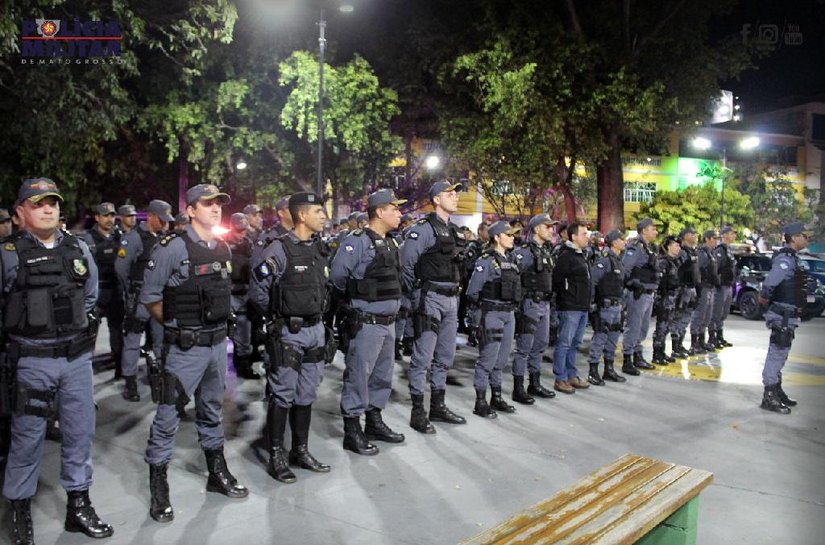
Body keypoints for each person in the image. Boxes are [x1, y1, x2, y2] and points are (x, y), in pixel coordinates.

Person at [2, 178, 113, 544]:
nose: (48, 208)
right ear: (20, 213)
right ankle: (19, 512)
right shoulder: (7, 254)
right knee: (27, 438)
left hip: (77, 360)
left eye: (52, 202)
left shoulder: (78, 248)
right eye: (38, 203)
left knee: (80, 435)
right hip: (32, 360)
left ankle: (78, 506)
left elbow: (91, 296)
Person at [140, 184, 248, 523]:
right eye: (207, 203)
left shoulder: (221, 248)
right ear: (191, 210)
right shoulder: (172, 248)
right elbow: (151, 297)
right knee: (168, 416)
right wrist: (178, 327)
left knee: (212, 410)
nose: (215, 209)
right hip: (184, 348)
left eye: (218, 204)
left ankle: (217, 473)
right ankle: (159, 488)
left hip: (217, 345)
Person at [249, 192, 334, 483]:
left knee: (307, 393)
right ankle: (276, 455)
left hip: (315, 330)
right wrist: (275, 320)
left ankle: (301, 450)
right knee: (283, 393)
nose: (323, 216)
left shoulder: (319, 248)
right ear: (301, 216)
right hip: (289, 332)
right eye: (318, 211)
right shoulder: (279, 248)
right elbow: (259, 289)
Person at [331, 189, 407, 455]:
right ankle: (352, 430)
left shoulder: (391, 242)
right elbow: (338, 278)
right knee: (358, 376)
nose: (400, 213)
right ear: (379, 212)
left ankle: (374, 422)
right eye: (395, 209)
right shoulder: (357, 241)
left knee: (383, 375)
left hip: (388, 322)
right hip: (366, 321)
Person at [400, 181, 468, 434]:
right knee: (422, 357)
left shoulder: (453, 230)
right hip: (430, 297)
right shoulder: (424, 229)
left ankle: (437, 406)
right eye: (450, 194)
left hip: (451, 299)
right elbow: (406, 264)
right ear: (437, 199)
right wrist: (414, 296)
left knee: (445, 356)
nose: (456, 197)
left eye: (456, 193)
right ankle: (418, 411)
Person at [116, 200, 173, 402]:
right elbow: (121, 269)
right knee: (132, 340)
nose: (166, 224)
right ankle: (130, 382)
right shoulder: (133, 238)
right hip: (139, 298)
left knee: (160, 341)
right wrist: (131, 291)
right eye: (162, 220)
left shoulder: (164, 238)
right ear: (150, 216)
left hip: (159, 297)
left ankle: (158, 376)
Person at [466, 221, 521, 418]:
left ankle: (496, 396)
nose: (513, 237)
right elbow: (473, 290)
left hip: (509, 314)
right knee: (487, 358)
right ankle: (480, 401)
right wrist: (476, 318)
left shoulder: (511, 260)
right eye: (508, 234)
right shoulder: (486, 261)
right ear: (497, 237)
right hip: (491, 313)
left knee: (502, 359)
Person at [757, 222, 809, 414]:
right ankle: (769, 395)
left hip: (789, 314)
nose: (806, 238)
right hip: (782, 315)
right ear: (794, 237)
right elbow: (770, 283)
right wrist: (764, 297)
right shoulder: (785, 260)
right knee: (777, 353)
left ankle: (776, 390)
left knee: (781, 353)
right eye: (804, 235)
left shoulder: (793, 259)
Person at [511, 214, 557, 402]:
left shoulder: (545, 251)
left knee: (540, 345)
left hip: (544, 304)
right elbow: (514, 278)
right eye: (547, 227)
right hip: (529, 303)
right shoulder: (524, 252)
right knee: (524, 347)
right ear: (537, 229)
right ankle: (518, 388)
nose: (551, 230)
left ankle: (534, 383)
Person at [82, 202, 125, 376]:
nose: (109, 219)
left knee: (117, 332)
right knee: (91, 333)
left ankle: (119, 368)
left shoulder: (120, 237)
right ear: (97, 217)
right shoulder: (88, 239)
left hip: (116, 291)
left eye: (112, 215)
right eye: (105, 215)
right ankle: (85, 369)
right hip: (98, 292)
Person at [551, 222, 592, 394]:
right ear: (574, 237)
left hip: (582, 306)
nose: (587, 237)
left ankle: (571, 374)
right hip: (570, 306)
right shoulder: (566, 255)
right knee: (565, 343)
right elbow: (557, 280)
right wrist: (567, 297)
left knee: (575, 343)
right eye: (583, 234)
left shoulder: (582, 254)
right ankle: (560, 378)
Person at [587, 229, 628, 384]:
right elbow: (593, 281)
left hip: (617, 306)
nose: (624, 241)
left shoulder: (618, 259)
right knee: (600, 337)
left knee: (613, 339)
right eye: (621, 239)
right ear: (614, 242)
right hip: (605, 306)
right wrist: (592, 303)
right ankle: (593, 370)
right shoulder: (604, 260)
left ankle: (608, 370)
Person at [621, 217, 659, 375]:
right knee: (634, 327)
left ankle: (637, 355)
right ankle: (627, 359)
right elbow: (625, 268)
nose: (656, 232)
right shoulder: (636, 247)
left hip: (648, 293)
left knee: (642, 328)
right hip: (638, 293)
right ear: (644, 230)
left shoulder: (648, 247)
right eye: (653, 229)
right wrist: (631, 284)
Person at [226, 213, 257, 379]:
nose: (241, 233)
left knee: (245, 331)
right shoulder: (222, 243)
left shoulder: (248, 244)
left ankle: (243, 365)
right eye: (239, 230)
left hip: (244, 292)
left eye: (244, 230)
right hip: (227, 293)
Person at [651, 237, 682, 365]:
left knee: (667, 326)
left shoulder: (675, 261)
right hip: (664, 297)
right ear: (668, 247)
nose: (678, 248)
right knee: (661, 326)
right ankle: (657, 353)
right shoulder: (663, 262)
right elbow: (660, 281)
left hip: (672, 297)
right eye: (675, 245)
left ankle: (662, 352)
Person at [690, 230, 720, 354]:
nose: (716, 240)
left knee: (707, 316)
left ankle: (701, 341)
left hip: (710, 287)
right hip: (703, 287)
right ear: (707, 239)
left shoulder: (710, 253)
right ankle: (694, 343)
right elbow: (698, 271)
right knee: (699, 315)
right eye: (714, 238)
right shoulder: (702, 253)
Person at [672, 227, 700, 357]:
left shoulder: (692, 251)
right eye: (692, 234)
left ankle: (680, 344)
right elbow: (676, 269)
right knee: (678, 317)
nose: (695, 236)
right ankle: (675, 346)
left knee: (686, 317)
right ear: (685, 236)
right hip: (683, 288)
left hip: (692, 288)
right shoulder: (682, 252)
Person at [709, 225, 736, 348]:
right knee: (716, 312)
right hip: (721, 286)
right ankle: (712, 338)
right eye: (731, 233)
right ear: (724, 235)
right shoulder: (719, 250)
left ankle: (719, 336)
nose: (734, 235)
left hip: (728, 285)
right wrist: (717, 282)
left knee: (724, 313)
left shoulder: (728, 249)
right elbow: (715, 269)